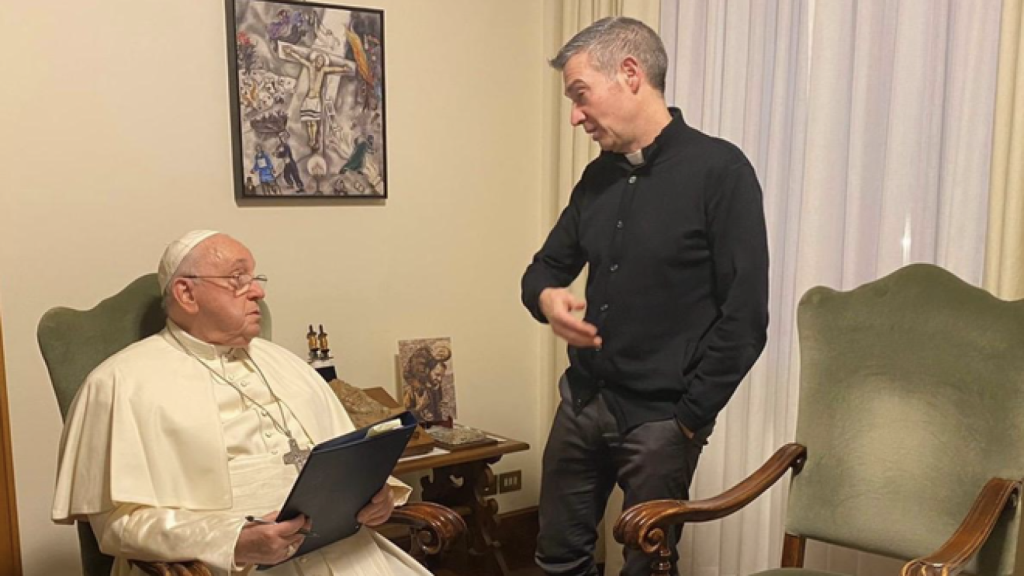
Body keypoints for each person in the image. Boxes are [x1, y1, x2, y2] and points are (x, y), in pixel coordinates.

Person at [520, 17, 769, 576]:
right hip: (582, 404)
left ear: (630, 74)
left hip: (663, 420)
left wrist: (687, 417)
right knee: (557, 557)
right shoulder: (597, 179)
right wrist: (548, 300)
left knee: (647, 567)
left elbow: (746, 318)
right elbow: (544, 268)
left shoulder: (721, 171)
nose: (575, 115)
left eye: (580, 95)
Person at [52, 230, 429, 576]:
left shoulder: (286, 363)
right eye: (238, 280)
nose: (258, 293)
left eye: (255, 279)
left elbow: (347, 456)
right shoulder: (118, 383)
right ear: (186, 294)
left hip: (349, 554)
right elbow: (118, 527)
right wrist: (233, 541)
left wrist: (379, 495)